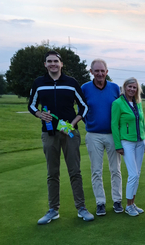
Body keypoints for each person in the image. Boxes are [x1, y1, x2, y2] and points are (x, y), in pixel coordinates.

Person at [29, 50, 94, 224]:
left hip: (70, 131)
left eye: (56, 61)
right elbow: (31, 106)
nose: (53, 64)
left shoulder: (71, 83)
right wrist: (39, 115)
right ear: (45, 64)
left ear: (61, 64)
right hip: (49, 132)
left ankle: (81, 208)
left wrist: (72, 124)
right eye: (49, 61)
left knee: (75, 172)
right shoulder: (39, 83)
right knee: (52, 173)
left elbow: (83, 107)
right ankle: (53, 210)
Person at [82, 59, 123, 216]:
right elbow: (80, 109)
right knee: (96, 171)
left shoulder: (114, 88)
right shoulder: (85, 88)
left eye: (102, 70)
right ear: (91, 72)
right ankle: (100, 202)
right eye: (96, 71)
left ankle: (117, 201)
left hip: (113, 134)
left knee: (115, 170)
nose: (100, 73)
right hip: (93, 134)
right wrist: (90, 122)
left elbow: (120, 108)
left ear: (107, 72)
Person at [111, 77, 145, 217]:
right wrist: (118, 145)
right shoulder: (118, 103)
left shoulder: (137, 103)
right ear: (125, 87)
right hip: (127, 141)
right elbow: (114, 125)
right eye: (130, 87)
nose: (132, 89)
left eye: (134, 87)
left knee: (137, 174)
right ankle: (127, 205)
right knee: (133, 174)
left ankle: (133, 203)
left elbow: (143, 122)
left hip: (140, 141)